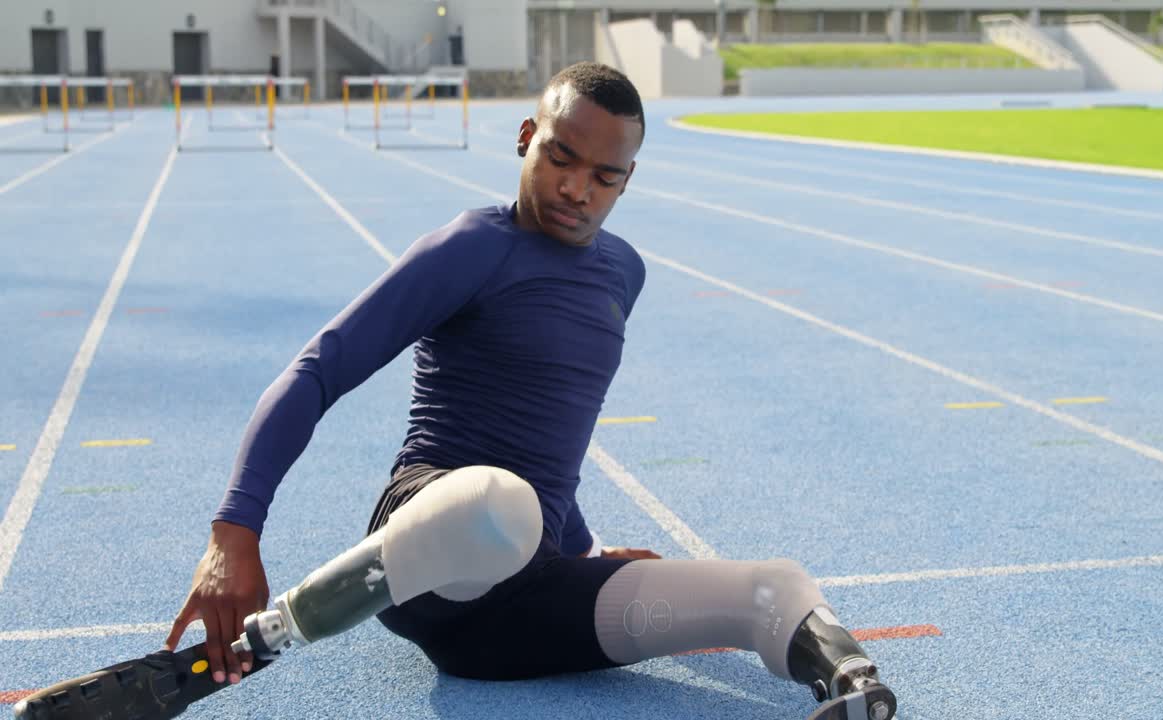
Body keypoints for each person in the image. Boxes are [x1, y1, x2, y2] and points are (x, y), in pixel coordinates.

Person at [13, 62, 897, 720]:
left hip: (516, 611)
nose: (576, 189)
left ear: (628, 181)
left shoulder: (622, 274)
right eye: (561, 157)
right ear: (524, 140)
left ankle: (855, 693)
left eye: (605, 176)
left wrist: (585, 557)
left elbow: (558, 433)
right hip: (431, 549)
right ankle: (251, 649)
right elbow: (318, 369)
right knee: (496, 502)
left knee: (771, 587)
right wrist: (232, 535)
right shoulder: (472, 248)